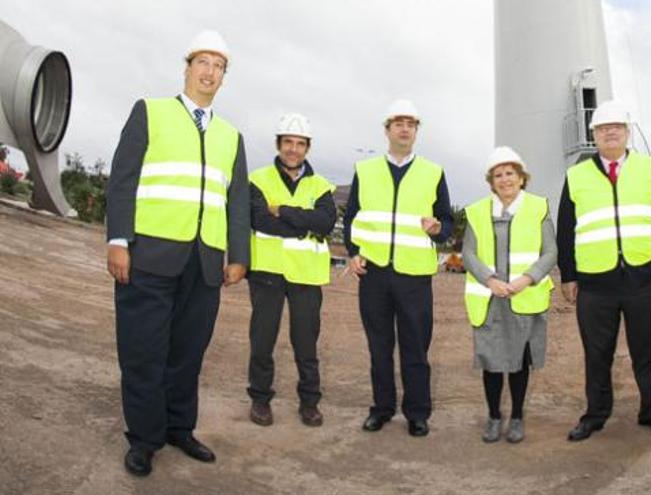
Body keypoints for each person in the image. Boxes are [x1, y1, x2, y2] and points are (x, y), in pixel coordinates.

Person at [105, 30, 249, 476]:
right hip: (149, 253)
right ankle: (145, 439)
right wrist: (118, 240)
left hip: (204, 262)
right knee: (144, 351)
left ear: (224, 77)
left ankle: (179, 428)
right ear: (187, 68)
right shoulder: (150, 112)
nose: (210, 72)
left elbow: (237, 201)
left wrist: (237, 255)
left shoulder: (231, 136)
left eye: (219, 66)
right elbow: (123, 179)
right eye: (203, 62)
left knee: (188, 353)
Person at [557, 100, 651, 441]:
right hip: (595, 283)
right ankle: (596, 414)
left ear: (627, 132)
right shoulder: (576, 175)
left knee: (650, 349)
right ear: (593, 135)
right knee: (597, 353)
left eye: (616, 127)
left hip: (645, 278)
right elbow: (565, 229)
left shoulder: (649, 167)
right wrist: (568, 275)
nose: (610, 132)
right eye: (602, 128)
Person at [342, 99, 453, 437]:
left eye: (411, 123)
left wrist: (437, 229)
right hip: (374, 272)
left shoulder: (433, 172)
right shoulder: (366, 170)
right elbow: (351, 218)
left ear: (416, 131)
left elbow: (447, 223)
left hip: (414, 276)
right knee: (379, 347)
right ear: (387, 129)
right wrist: (353, 252)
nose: (405, 128)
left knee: (415, 347)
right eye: (398, 123)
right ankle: (382, 408)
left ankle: (417, 413)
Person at [246, 113, 336, 428]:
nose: (293, 150)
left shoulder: (321, 186)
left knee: (306, 343)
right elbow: (258, 219)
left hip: (307, 275)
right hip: (267, 271)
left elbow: (325, 222)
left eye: (300, 144)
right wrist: (304, 224)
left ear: (307, 148)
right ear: (278, 144)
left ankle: (309, 403)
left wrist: (283, 211)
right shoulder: (257, 180)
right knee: (262, 339)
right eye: (288, 143)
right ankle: (260, 399)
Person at [462, 146, 556, 443]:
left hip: (523, 298)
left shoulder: (538, 207)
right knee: (492, 362)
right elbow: (468, 252)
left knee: (518, 362)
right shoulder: (477, 212)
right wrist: (489, 280)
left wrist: (527, 279)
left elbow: (550, 251)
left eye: (510, 173)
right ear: (491, 181)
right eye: (498, 175)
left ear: (521, 177)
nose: (504, 180)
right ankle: (493, 416)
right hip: (490, 300)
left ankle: (516, 416)